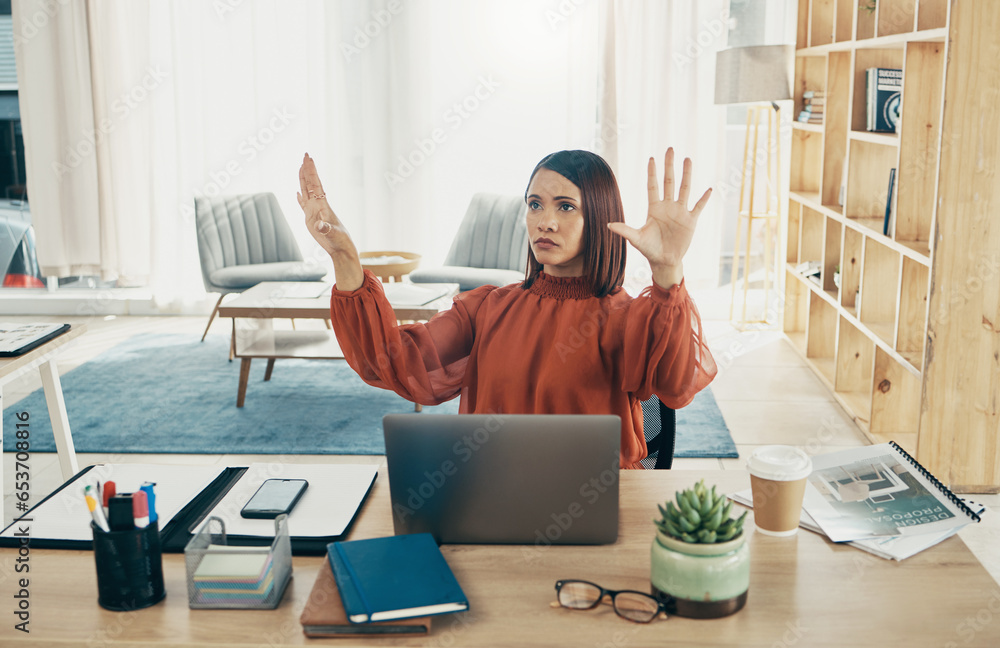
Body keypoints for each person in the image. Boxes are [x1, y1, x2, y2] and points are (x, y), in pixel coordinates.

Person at [298, 148, 717, 469]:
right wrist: (344, 256)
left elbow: (676, 384)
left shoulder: (630, 316)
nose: (544, 221)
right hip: (489, 497)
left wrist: (668, 271)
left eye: (565, 206)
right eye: (535, 204)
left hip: (597, 507)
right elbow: (391, 361)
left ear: (602, 216)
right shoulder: (487, 308)